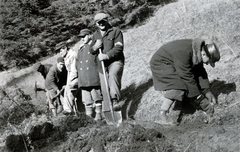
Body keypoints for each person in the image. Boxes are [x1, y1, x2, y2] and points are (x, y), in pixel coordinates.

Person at [150, 38, 220, 125]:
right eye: (208, 61)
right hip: (161, 63)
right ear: (204, 54)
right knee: (179, 86)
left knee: (187, 82)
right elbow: (187, 77)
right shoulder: (184, 52)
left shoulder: (197, 51)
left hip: (174, 62)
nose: (207, 64)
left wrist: (207, 91)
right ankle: (162, 114)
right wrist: (201, 100)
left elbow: (200, 71)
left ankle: (186, 101)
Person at [90, 12, 125, 111]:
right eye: (98, 22)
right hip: (102, 65)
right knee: (104, 86)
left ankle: (115, 101)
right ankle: (108, 110)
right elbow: (91, 50)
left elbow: (119, 48)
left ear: (107, 21)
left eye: (102, 22)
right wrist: (95, 47)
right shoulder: (95, 35)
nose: (101, 24)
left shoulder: (116, 31)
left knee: (113, 75)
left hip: (115, 61)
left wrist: (106, 56)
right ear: (96, 24)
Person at [72, 29, 103, 120]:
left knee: (96, 97)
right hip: (84, 78)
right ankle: (89, 116)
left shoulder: (94, 47)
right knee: (86, 100)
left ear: (90, 35)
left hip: (93, 76)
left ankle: (98, 114)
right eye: (81, 37)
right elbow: (78, 64)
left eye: (84, 36)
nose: (82, 39)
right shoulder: (80, 49)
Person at [59, 39, 79, 115]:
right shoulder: (67, 57)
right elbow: (69, 72)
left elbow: (74, 71)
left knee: (69, 90)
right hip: (73, 77)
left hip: (77, 77)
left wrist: (70, 83)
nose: (60, 53)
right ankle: (78, 112)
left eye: (61, 50)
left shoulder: (72, 55)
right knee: (69, 91)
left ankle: (68, 110)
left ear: (65, 48)